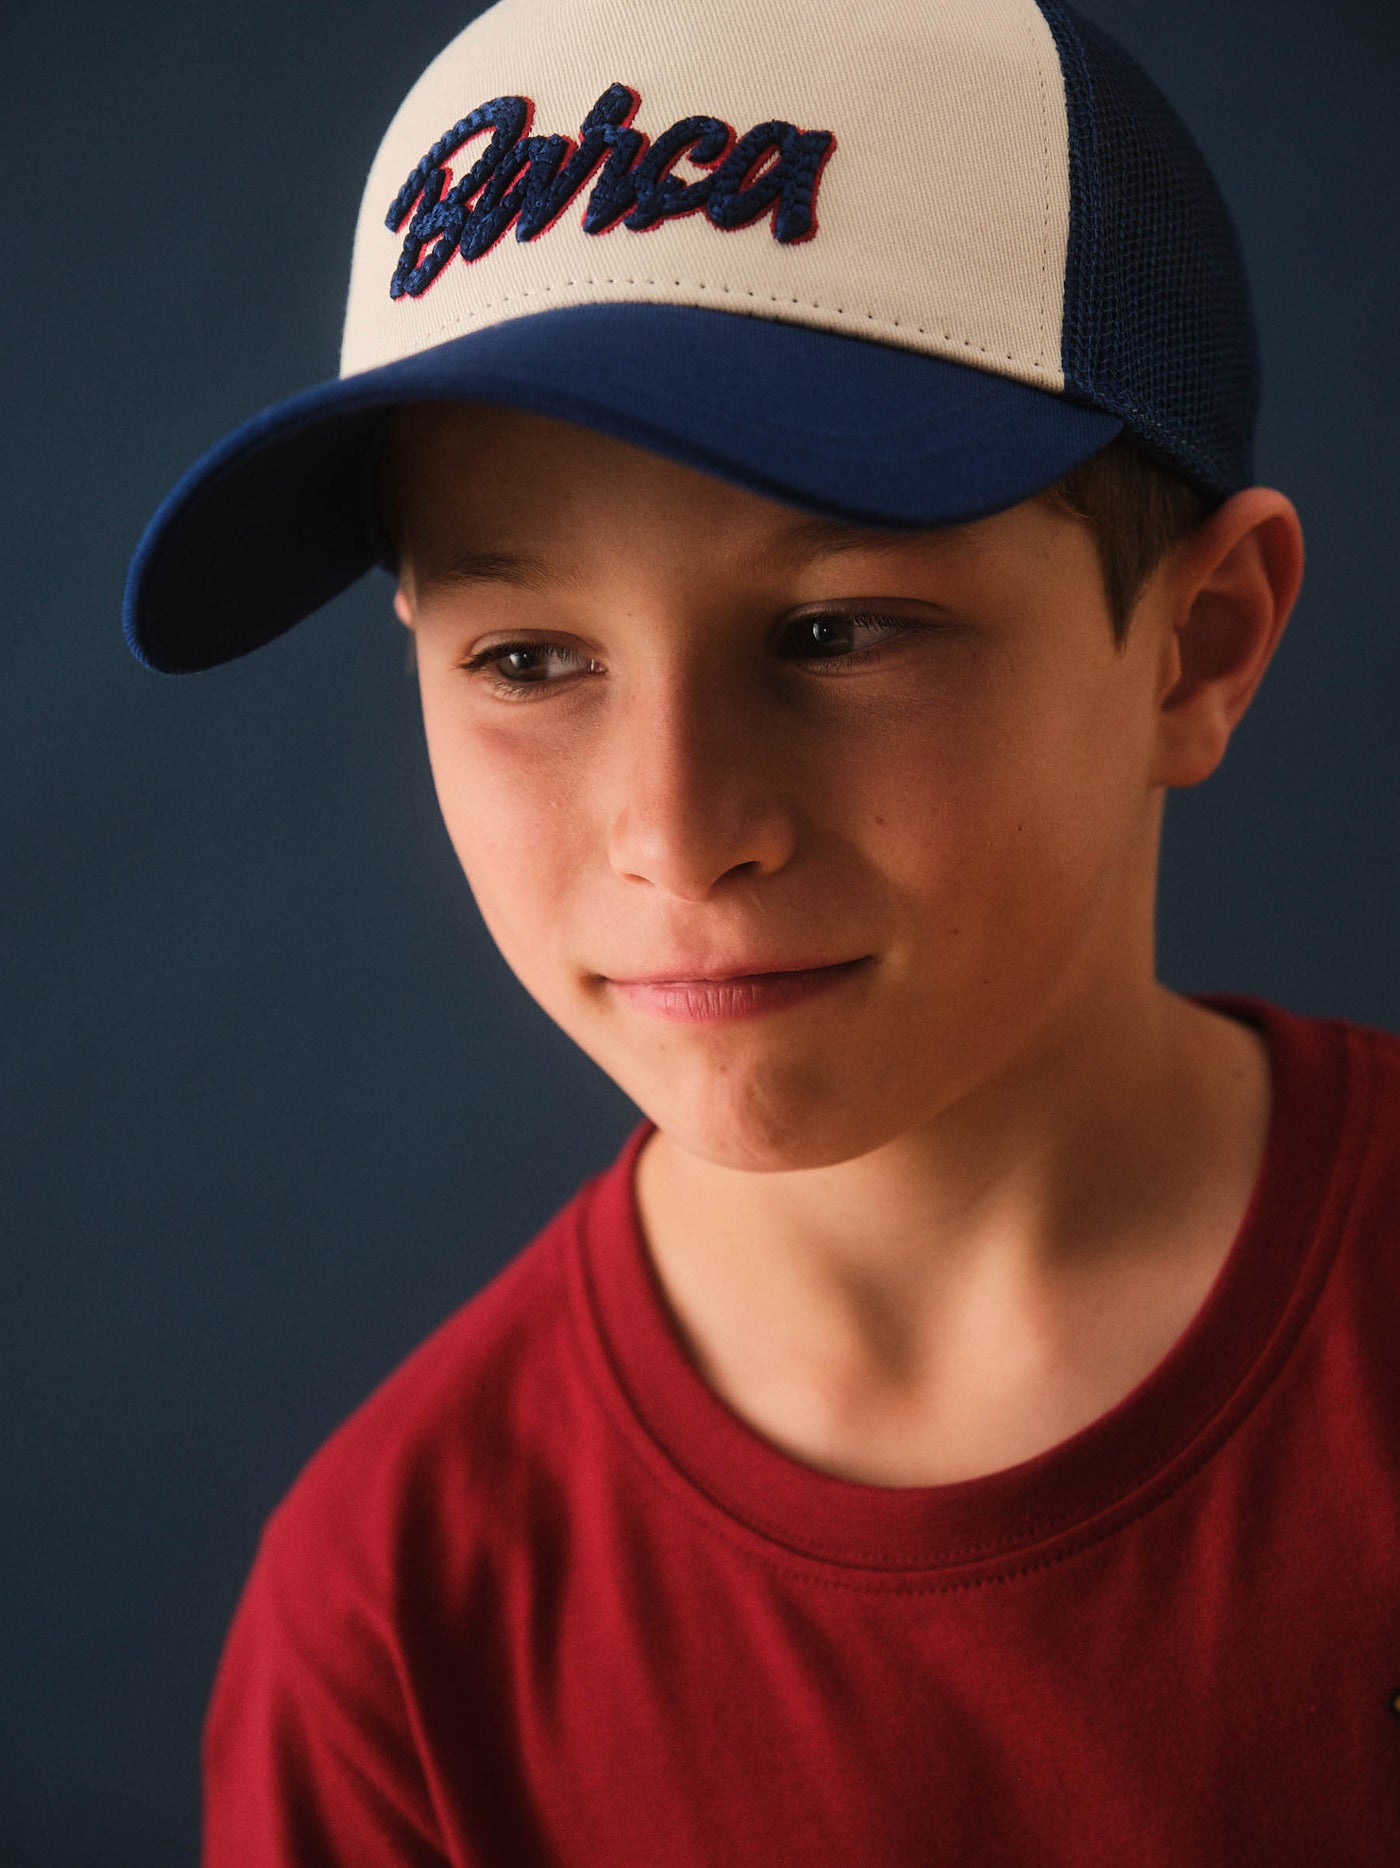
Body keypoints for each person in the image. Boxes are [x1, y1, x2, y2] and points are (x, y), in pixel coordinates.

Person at [123, 0, 1400, 1860]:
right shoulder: (395, 1621)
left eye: (841, 630)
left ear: (1197, 647)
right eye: (530, 660)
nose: (677, 831)